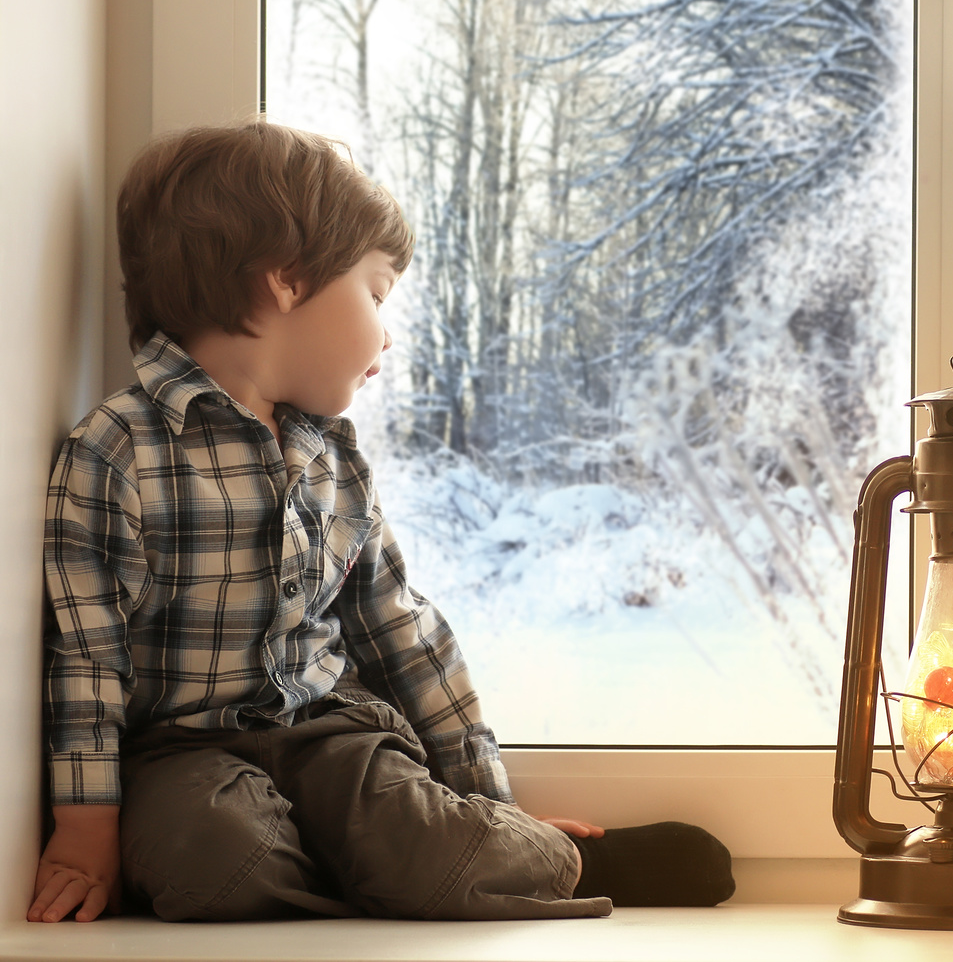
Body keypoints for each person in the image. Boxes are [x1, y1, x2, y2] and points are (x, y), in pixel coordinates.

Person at [31, 121, 733, 923]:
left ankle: (541, 860)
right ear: (288, 280)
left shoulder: (334, 459)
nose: (387, 333)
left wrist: (483, 799)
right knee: (214, 858)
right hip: (182, 753)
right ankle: (393, 874)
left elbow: (400, 630)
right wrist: (85, 829)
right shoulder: (117, 449)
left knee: (421, 835)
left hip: (331, 733)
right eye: (376, 291)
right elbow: (87, 656)